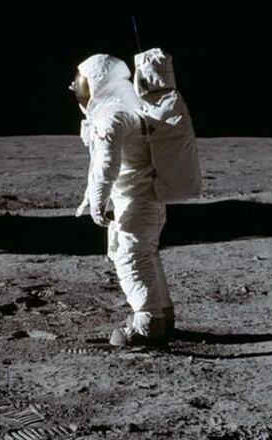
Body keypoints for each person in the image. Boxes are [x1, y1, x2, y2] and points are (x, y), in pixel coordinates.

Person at [71, 53, 175, 346]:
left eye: (82, 84)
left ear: (97, 84)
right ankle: (163, 314)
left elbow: (107, 162)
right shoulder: (128, 104)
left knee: (130, 258)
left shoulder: (113, 114)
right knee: (145, 254)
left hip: (135, 199)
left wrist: (97, 199)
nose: (78, 89)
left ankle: (147, 324)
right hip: (145, 197)